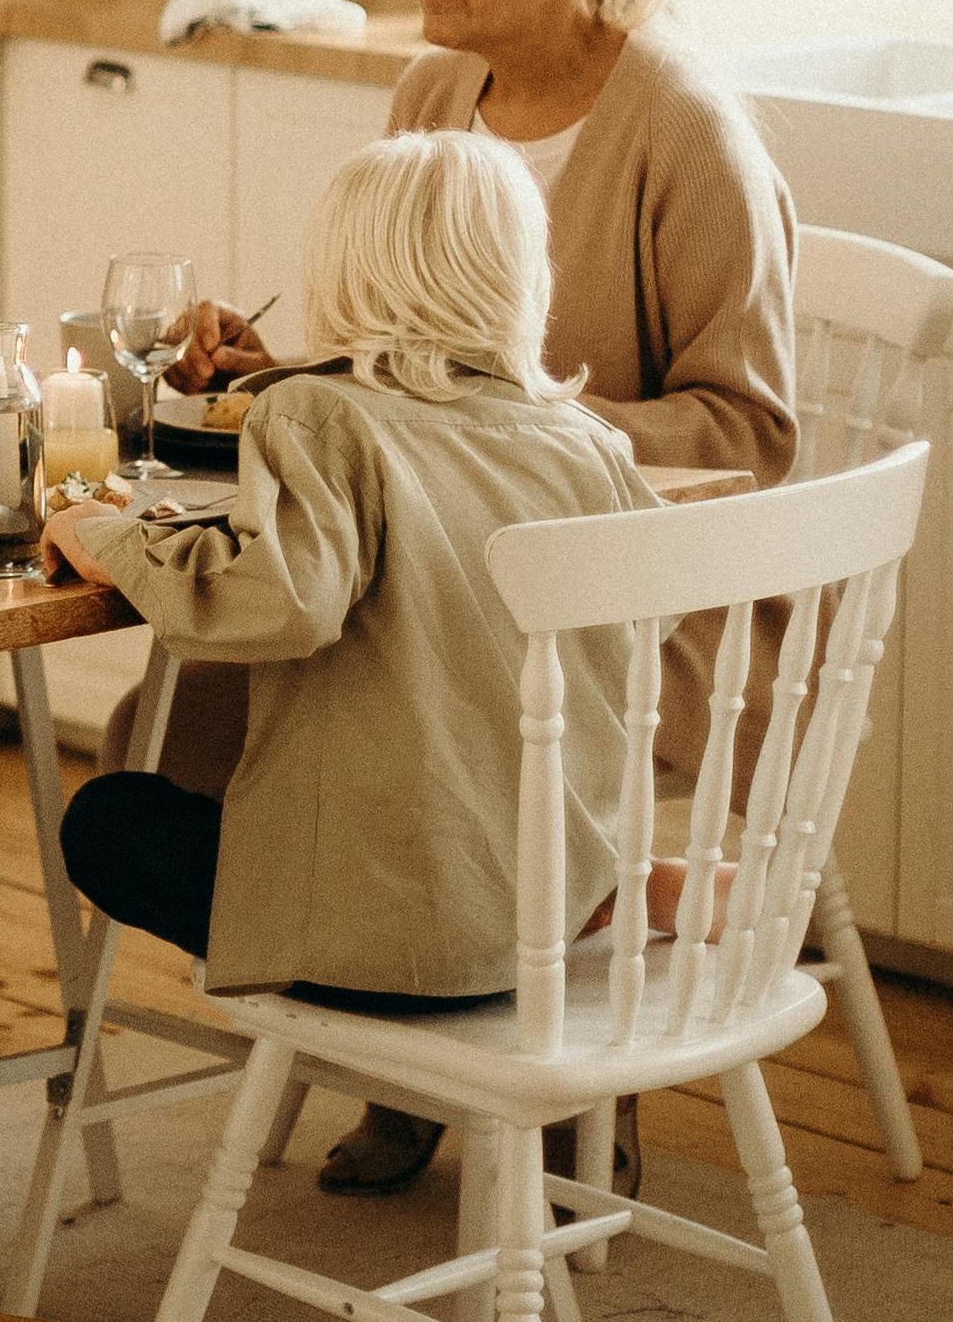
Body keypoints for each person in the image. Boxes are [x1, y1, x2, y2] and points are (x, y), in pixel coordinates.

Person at [172, 0, 797, 1189]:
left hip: (617, 617)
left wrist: (504, 432)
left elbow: (747, 435)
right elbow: (406, 355)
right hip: (440, 590)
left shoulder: (686, 133)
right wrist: (283, 371)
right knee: (196, 689)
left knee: (343, 691)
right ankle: (398, 1002)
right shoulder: (429, 101)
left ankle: (484, 1033)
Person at [48, 130, 672, 1002]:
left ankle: (350, 927)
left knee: (107, 824)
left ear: (340, 273)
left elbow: (279, 603)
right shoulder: (585, 441)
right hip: (549, 917)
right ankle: (620, 881)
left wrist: (105, 538)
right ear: (523, 278)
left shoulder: (319, 414)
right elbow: (659, 609)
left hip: (399, 941)